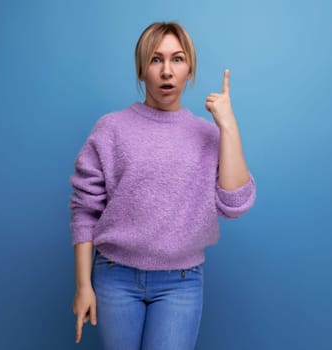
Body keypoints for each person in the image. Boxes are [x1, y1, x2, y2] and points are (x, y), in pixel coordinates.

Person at [69, 21, 256, 350]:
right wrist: (84, 285)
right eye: (156, 60)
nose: (167, 71)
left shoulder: (208, 135)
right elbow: (85, 211)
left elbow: (235, 203)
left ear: (190, 70)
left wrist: (228, 125)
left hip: (181, 283)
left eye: (177, 59)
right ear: (142, 70)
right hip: (115, 276)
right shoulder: (111, 129)